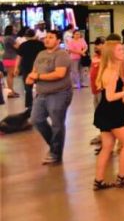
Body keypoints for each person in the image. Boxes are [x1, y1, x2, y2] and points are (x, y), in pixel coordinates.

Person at [92, 41, 124, 190]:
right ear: (112, 54)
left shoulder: (111, 69)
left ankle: (99, 180)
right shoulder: (111, 72)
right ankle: (122, 177)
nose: (123, 51)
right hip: (113, 112)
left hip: (105, 111)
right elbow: (110, 96)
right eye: (119, 50)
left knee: (107, 147)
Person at [27, 31, 73, 165]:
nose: (47, 40)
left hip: (59, 93)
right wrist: (31, 77)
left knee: (57, 124)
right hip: (41, 93)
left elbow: (59, 74)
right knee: (36, 120)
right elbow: (34, 70)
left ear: (58, 41)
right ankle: (54, 146)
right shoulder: (41, 54)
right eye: (46, 37)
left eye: (51, 37)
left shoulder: (62, 54)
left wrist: (38, 77)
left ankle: (55, 153)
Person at [3, 25, 19, 98]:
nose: (15, 30)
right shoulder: (10, 38)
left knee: (10, 75)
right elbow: (17, 46)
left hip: (6, 57)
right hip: (11, 57)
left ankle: (11, 90)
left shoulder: (6, 37)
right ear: (10, 30)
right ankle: (10, 92)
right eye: (14, 29)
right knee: (10, 75)